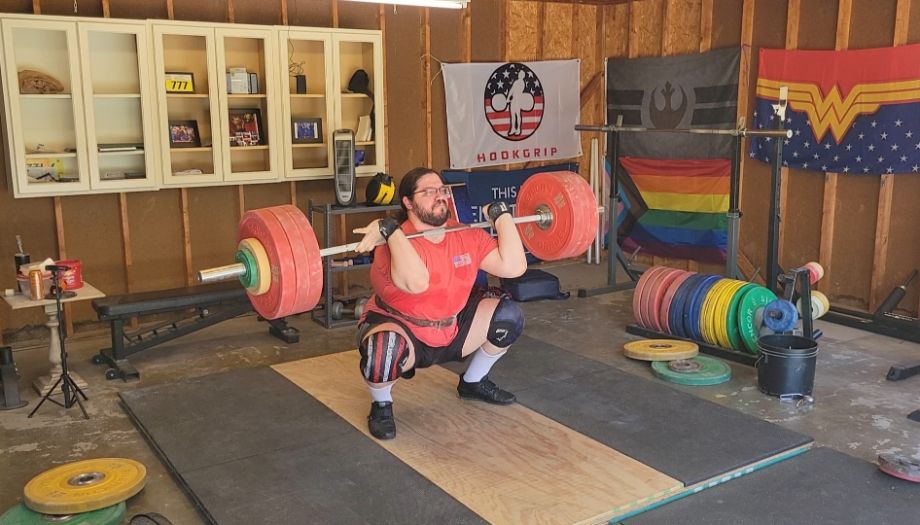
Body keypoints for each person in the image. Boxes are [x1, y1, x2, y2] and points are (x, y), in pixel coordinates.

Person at [352, 167, 528, 440]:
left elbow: (514, 266)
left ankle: (473, 382)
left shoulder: (466, 236)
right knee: (384, 350)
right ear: (408, 202)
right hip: (405, 330)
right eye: (428, 191)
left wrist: (501, 215)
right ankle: (382, 405)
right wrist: (391, 230)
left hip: (452, 327)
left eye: (442, 190)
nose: (439, 196)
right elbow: (416, 283)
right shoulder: (392, 244)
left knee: (509, 316)